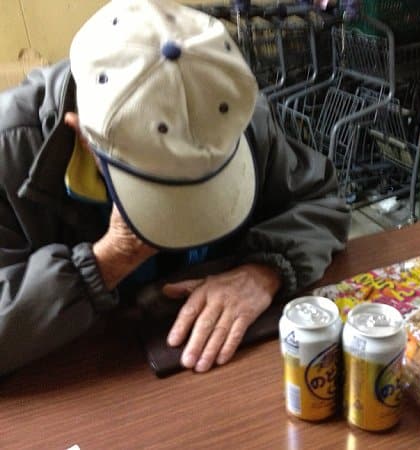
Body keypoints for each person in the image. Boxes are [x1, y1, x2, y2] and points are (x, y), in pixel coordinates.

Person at [0, 0, 350, 376]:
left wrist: (265, 270)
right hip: (93, 379)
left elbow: (320, 201)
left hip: (223, 370)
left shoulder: (231, 110)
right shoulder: (9, 150)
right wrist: (107, 261)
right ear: (83, 136)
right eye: (161, 188)